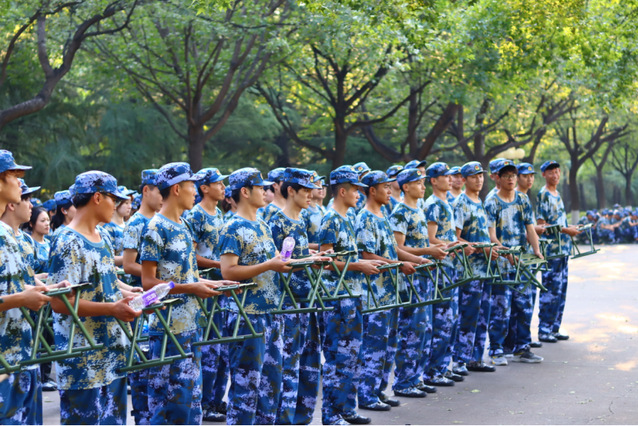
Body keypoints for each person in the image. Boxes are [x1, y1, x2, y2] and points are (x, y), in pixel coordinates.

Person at [140, 162, 231, 424]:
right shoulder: (156, 228)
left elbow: (186, 275)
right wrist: (192, 288)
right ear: (177, 189)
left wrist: (210, 284)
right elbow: (148, 283)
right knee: (169, 405)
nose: (195, 191)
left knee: (191, 402)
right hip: (168, 328)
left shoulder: (183, 225)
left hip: (190, 324)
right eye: (192, 186)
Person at [47, 171, 142, 425]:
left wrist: (133, 297)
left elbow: (106, 283)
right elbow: (59, 303)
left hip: (112, 354)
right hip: (83, 361)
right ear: (97, 198)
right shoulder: (68, 241)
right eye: (114, 199)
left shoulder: (103, 236)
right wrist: (112, 308)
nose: (117, 205)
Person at [218, 167, 292, 425]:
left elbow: (275, 262)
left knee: (271, 387)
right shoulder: (232, 227)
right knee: (246, 388)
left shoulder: (262, 224)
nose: (266, 191)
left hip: (271, 314)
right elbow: (228, 271)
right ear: (245, 192)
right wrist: (269, 265)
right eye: (260, 187)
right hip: (246, 316)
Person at [355, 170, 426, 409]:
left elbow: (393, 249)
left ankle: (379, 390)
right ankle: (367, 395)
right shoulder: (365, 218)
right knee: (374, 345)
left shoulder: (382, 215)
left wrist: (417, 259)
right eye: (384, 187)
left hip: (390, 291)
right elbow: (367, 255)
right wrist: (398, 265)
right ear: (372, 190)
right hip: (374, 293)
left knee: (389, 343)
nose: (389, 191)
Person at [318, 168, 384, 425]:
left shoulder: (347, 218)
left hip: (352, 295)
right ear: (342, 191)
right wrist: (358, 265)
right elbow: (326, 261)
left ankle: (346, 408)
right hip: (337, 298)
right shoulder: (330, 219)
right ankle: (331, 414)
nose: (359, 194)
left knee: (353, 357)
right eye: (355, 190)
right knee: (337, 357)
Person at [0, 150, 54, 425]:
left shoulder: (11, 236)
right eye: (14, 176)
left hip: (23, 354)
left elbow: (21, 281)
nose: (20, 185)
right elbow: (19, 294)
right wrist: (22, 298)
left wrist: (50, 287)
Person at [269, 168, 324, 425]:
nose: (311, 195)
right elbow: (278, 263)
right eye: (306, 191)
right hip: (288, 302)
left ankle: (302, 418)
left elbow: (295, 256)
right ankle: (286, 420)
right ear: (291, 190)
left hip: (306, 299)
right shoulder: (277, 222)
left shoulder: (299, 221)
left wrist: (313, 258)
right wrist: (309, 260)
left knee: (309, 363)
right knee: (289, 365)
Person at [389, 168, 447, 397]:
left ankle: (416, 377)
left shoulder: (419, 210)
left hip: (424, 277)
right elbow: (398, 248)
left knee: (425, 328)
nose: (423, 186)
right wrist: (427, 252)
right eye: (418, 183)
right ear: (405, 187)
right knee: (411, 329)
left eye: (424, 182)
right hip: (411, 278)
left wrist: (434, 250)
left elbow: (420, 244)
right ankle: (404, 382)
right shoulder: (400, 212)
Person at [484, 160, 544, 365]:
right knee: (501, 308)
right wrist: (506, 253)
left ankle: (522, 347)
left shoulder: (523, 199)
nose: (510, 179)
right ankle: (496, 349)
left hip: (521, 262)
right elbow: (491, 236)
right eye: (506, 176)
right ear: (498, 178)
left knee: (524, 305)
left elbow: (530, 228)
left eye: (513, 175)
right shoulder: (492, 202)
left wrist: (537, 250)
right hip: (501, 263)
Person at [186, 167, 230, 423]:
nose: (223, 187)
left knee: (222, 346)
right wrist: (218, 265)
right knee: (209, 347)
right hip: (206, 288)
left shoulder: (220, 213)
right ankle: (204, 403)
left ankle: (216, 399)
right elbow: (190, 257)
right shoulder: (196, 215)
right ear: (204, 188)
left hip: (222, 287)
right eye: (218, 183)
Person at [121, 169, 161, 425]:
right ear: (146, 190)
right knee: (141, 362)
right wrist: (156, 275)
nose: (163, 196)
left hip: (160, 298)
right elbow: (128, 265)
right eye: (159, 191)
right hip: (140, 300)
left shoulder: (162, 220)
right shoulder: (136, 223)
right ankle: (143, 418)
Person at [451, 162, 497, 375]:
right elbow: (455, 238)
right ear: (464, 179)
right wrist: (480, 249)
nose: (478, 180)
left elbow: (486, 235)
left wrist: (494, 248)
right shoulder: (461, 203)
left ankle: (476, 358)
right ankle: (460, 360)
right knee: (467, 315)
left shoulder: (480, 202)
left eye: (481, 176)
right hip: (468, 270)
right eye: (473, 176)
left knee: (483, 314)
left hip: (485, 269)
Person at [423, 162, 464, 386]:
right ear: (433, 181)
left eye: (450, 176)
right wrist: (451, 245)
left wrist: (456, 244)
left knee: (451, 319)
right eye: (445, 176)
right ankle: (433, 371)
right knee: (441, 320)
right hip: (439, 268)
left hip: (450, 267)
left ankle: (443, 367)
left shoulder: (446, 202)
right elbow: (430, 239)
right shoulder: (433, 204)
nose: (450, 179)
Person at [536, 160, 580, 343]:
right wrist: (566, 230)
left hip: (563, 250)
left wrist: (570, 228)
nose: (555, 175)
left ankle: (554, 327)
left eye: (557, 171)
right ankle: (544, 329)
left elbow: (559, 221)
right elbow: (541, 225)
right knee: (550, 290)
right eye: (550, 172)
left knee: (561, 290)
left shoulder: (557, 194)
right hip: (551, 251)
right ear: (544, 175)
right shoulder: (544, 194)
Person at [101, 186, 135, 267]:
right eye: (126, 203)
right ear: (117, 204)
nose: (130, 207)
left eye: (130, 203)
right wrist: (131, 258)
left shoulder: (128, 225)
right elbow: (109, 257)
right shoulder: (109, 228)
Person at [23, 206, 51, 275]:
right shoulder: (28, 244)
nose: (47, 223)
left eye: (48, 220)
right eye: (43, 221)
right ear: (31, 224)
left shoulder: (49, 243)